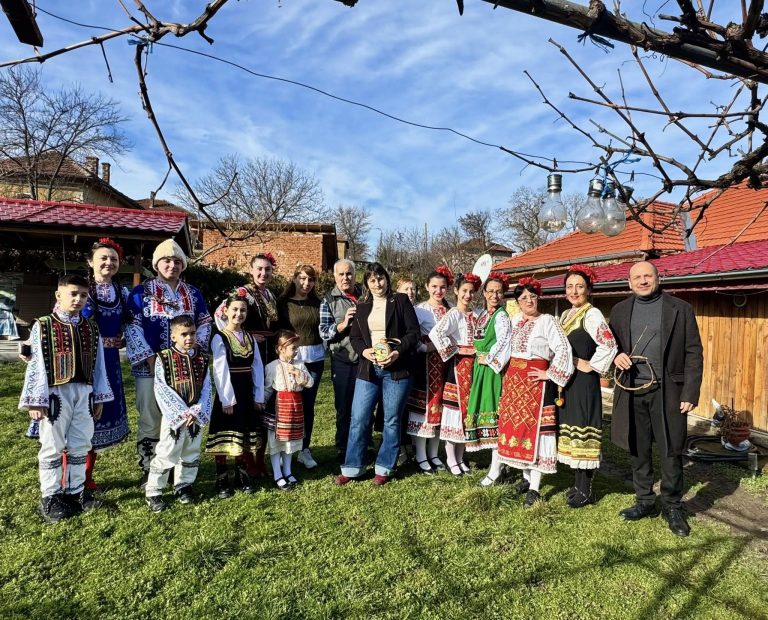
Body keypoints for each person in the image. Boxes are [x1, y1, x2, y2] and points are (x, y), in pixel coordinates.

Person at [611, 261, 703, 537]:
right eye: (637, 277)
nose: (642, 281)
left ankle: (673, 505)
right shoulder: (619, 311)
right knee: (638, 448)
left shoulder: (680, 309)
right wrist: (616, 355)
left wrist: (690, 392)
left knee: (671, 450)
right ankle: (644, 501)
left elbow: (693, 353)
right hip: (632, 390)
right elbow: (609, 346)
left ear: (658, 278)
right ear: (629, 283)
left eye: (647, 276)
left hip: (669, 392)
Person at [19, 274, 113, 523]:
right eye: (73, 293)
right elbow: (36, 364)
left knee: (80, 442)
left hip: (84, 392)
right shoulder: (43, 324)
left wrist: (100, 395)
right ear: (58, 295)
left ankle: (75, 491)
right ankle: (50, 496)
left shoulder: (91, 327)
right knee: (52, 445)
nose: (78, 299)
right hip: (54, 393)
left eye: (83, 295)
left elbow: (99, 364)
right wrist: (35, 399)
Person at [125, 239, 212, 484]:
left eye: (177, 261)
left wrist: (195, 350)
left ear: (183, 265)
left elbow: (205, 322)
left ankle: (176, 467)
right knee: (151, 417)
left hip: (185, 368)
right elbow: (132, 326)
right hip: (149, 367)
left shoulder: (193, 293)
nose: (171, 265)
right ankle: (149, 467)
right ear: (156, 264)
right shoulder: (141, 292)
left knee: (181, 415)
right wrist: (149, 357)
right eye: (166, 260)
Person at [336, 262, 419, 486]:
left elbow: (414, 334)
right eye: (372, 280)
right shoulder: (362, 306)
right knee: (359, 418)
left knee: (391, 420)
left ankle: (384, 467)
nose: (377, 283)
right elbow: (355, 337)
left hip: (396, 369)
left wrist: (397, 351)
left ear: (387, 279)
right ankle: (353, 467)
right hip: (368, 369)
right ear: (367, 283)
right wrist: (364, 351)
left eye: (380, 278)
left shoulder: (400, 301)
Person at [497, 277, 573, 507]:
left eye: (532, 296)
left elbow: (563, 348)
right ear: (517, 302)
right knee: (517, 429)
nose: (529, 301)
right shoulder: (514, 320)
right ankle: (525, 477)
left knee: (537, 432)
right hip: (513, 382)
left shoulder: (548, 321)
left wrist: (549, 373)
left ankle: (535, 487)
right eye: (523, 298)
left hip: (536, 385)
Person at [73, 238, 131, 503]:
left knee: (96, 418)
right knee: (78, 417)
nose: (109, 263)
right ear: (90, 261)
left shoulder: (123, 292)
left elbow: (133, 323)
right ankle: (71, 478)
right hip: (82, 359)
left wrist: (126, 340)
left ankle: (87, 476)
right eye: (103, 258)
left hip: (109, 362)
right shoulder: (79, 290)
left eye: (113, 260)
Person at [555, 265, 618, 507]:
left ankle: (586, 489)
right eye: (570, 286)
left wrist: (589, 365)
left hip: (583, 382)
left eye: (579, 286)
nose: (574, 291)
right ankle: (577, 484)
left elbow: (609, 345)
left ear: (589, 289)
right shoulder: (565, 315)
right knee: (572, 429)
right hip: (568, 381)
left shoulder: (591, 315)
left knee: (584, 428)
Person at [215, 252, 279, 479]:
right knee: (248, 407)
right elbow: (223, 314)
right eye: (259, 269)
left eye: (267, 269)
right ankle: (248, 461)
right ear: (251, 270)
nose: (263, 273)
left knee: (264, 406)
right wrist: (242, 336)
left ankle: (260, 459)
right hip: (247, 353)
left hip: (268, 353)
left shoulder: (270, 294)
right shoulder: (242, 292)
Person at [145, 316, 213, 512]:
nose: (189, 338)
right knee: (167, 451)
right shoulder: (163, 358)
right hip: (174, 415)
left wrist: (198, 409)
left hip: (195, 415)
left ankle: (184, 485)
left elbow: (207, 386)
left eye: (192, 333)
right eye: (184, 334)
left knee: (190, 451)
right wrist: (182, 412)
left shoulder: (202, 357)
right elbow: (161, 387)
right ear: (173, 336)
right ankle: (154, 490)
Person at [206, 292, 265, 498]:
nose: (238, 314)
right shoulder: (220, 337)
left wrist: (258, 396)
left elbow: (257, 366)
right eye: (235, 310)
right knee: (225, 432)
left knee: (243, 431)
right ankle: (221, 477)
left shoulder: (249, 337)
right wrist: (226, 399)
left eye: (242, 310)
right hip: (230, 393)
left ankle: (242, 474)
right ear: (226, 311)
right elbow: (220, 370)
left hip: (246, 391)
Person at [428, 272, 482, 476]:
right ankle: (451, 458)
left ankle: (460, 458)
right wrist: (455, 350)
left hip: (474, 368)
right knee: (455, 412)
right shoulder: (453, 314)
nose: (468, 295)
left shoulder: (477, 314)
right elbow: (436, 333)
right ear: (456, 292)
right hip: (457, 368)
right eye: (464, 291)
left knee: (467, 413)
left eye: (471, 292)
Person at [405, 266, 453, 474]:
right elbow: (413, 338)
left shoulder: (451, 310)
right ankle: (421, 455)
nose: (438, 291)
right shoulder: (419, 310)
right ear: (426, 287)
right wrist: (429, 347)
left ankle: (434, 453)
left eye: (442, 287)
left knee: (440, 408)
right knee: (423, 408)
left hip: (446, 364)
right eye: (434, 286)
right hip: (424, 364)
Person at [465, 273, 512, 486]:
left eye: (499, 291)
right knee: (487, 416)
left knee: (494, 417)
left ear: (503, 294)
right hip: (480, 370)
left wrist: (490, 358)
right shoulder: (483, 314)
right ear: (484, 293)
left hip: (492, 371)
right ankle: (500, 467)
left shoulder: (501, 316)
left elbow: (505, 341)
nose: (494, 295)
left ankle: (496, 470)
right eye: (491, 291)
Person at [276, 264, 324, 469]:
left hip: (314, 359)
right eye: (302, 278)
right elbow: (278, 330)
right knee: (288, 405)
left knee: (308, 405)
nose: (306, 283)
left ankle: (304, 449)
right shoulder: (283, 303)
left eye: (310, 280)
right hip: (291, 359)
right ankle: (284, 448)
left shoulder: (318, 303)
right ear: (294, 278)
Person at [319, 259, 362, 463]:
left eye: (349, 274)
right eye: (341, 274)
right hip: (342, 359)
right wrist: (343, 324)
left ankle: (364, 444)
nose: (346, 278)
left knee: (364, 406)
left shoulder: (366, 295)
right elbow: (323, 332)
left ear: (355, 275)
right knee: (344, 406)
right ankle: (343, 447)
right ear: (335, 277)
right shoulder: (329, 300)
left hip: (365, 358)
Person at [264, 330, 314, 490]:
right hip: (278, 408)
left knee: (291, 441)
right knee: (277, 441)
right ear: (281, 349)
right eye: (293, 348)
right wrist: (260, 403)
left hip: (295, 407)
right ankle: (278, 474)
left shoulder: (299, 365)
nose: (296, 350)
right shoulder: (272, 367)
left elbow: (310, 383)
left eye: (296, 347)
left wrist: (299, 374)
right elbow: (267, 389)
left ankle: (288, 471)